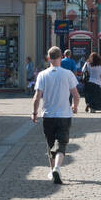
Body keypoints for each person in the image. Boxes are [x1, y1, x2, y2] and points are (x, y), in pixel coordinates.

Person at [31, 46, 79, 184]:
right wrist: (74, 106)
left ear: (48, 58)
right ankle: (57, 168)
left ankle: (52, 171)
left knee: (50, 144)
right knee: (61, 143)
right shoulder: (68, 74)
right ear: (61, 58)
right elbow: (76, 94)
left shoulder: (42, 75)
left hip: (48, 115)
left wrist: (34, 113)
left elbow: (37, 97)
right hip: (64, 114)